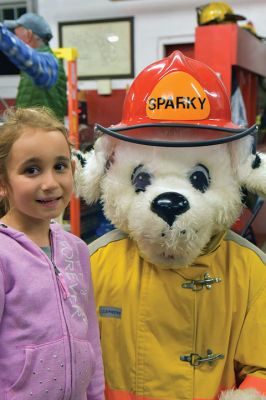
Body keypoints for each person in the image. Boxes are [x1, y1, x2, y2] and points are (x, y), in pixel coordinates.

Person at [0, 107, 104, 399]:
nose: (49, 183)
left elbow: (91, 339)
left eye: (59, 167)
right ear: (2, 183)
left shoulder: (77, 250)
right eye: (31, 170)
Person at [0, 13, 67, 121]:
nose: (15, 38)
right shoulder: (29, 68)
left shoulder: (50, 63)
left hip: (45, 135)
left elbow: (23, 54)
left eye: (16, 35)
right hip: (32, 133)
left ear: (29, 34)